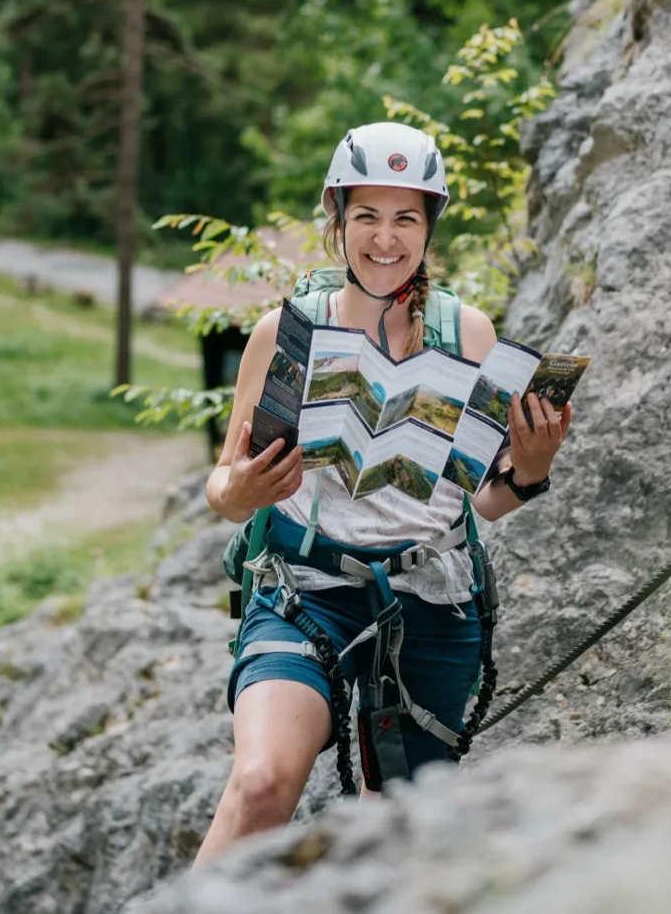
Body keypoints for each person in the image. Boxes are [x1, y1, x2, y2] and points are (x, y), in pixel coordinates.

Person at [194, 121, 572, 863]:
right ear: (338, 219)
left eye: (406, 217)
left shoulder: (466, 332)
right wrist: (240, 488)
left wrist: (529, 464)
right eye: (366, 215)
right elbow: (224, 485)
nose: (385, 238)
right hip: (305, 588)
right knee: (263, 780)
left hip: (430, 599)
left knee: (392, 833)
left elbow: (485, 498)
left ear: (429, 225)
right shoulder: (288, 330)